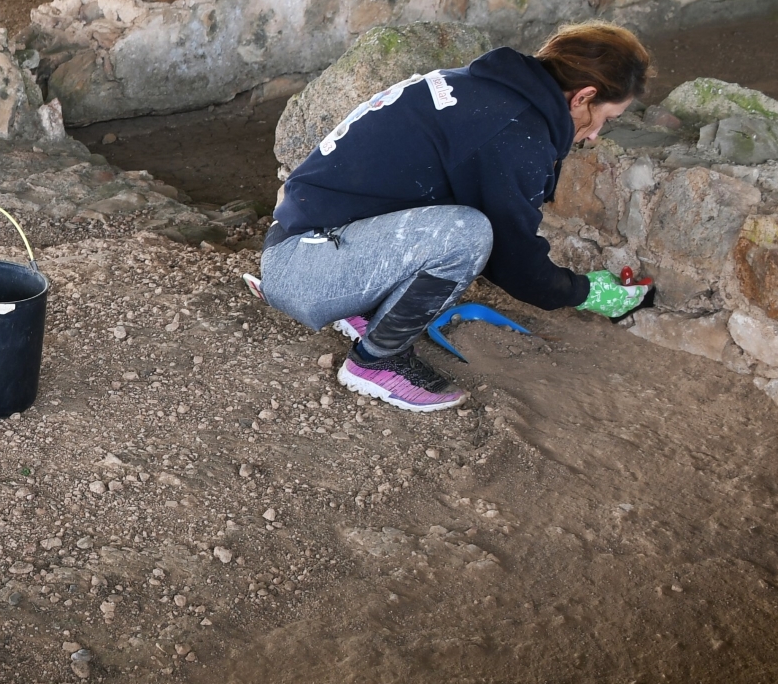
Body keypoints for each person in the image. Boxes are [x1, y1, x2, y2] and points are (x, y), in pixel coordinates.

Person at [257, 21, 655, 413]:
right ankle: (377, 360)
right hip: (303, 271)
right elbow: (512, 260)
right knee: (468, 234)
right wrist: (584, 292)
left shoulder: (484, 89)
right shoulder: (515, 132)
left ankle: (364, 310)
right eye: (608, 118)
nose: (595, 135)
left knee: (454, 222)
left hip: (303, 243)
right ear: (583, 96)